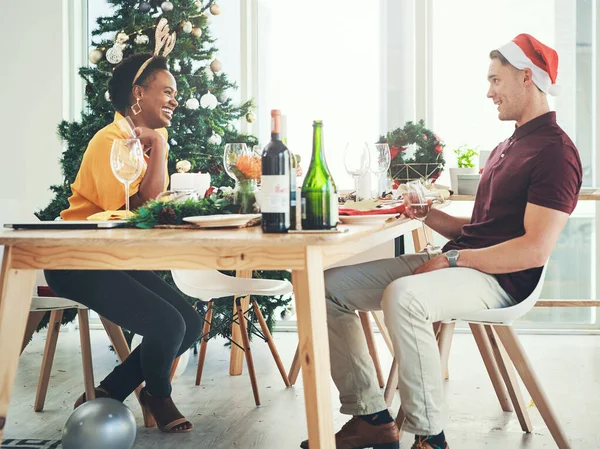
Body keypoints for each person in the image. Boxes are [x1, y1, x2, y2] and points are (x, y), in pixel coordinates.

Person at [300, 33, 582, 449]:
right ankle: (372, 418)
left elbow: (533, 249)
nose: (489, 92)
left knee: (404, 296)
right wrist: (428, 214)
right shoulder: (510, 144)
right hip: (466, 261)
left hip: (503, 279)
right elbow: (485, 226)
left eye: (495, 80)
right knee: (325, 288)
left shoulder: (556, 153)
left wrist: (453, 262)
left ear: (526, 77)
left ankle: (431, 438)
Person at [44, 51, 203, 433]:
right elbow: (141, 206)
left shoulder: (148, 139)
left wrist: (159, 145)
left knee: (191, 323)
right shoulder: (109, 141)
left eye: (175, 94)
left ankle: (110, 391)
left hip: (113, 256)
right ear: (138, 93)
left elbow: (144, 212)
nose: (174, 100)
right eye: (166, 91)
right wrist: (161, 149)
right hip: (78, 259)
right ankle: (158, 394)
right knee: (167, 324)